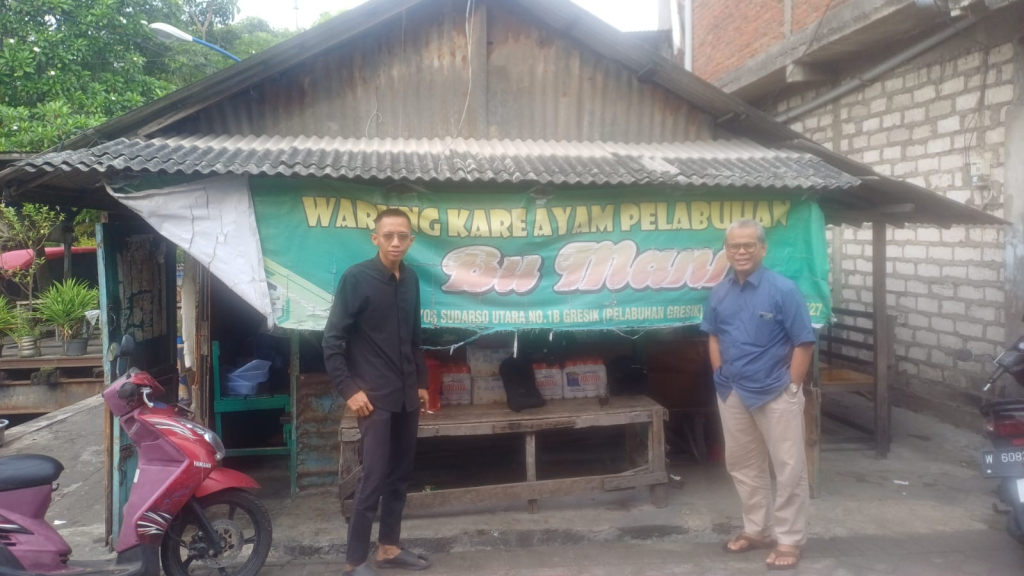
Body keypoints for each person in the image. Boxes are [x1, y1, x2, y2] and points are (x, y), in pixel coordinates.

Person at [700, 218, 816, 571]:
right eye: (734, 245)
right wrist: (720, 374)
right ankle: (757, 530)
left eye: (749, 245)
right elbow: (714, 335)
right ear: (727, 250)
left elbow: (804, 342)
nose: (741, 251)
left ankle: (789, 539)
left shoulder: (783, 289)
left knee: (789, 468)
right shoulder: (720, 292)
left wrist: (792, 387)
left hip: (775, 392)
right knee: (743, 466)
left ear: (763, 248)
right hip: (733, 392)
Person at [323, 208, 432, 576]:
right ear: (375, 238)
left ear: (412, 239)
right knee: (373, 478)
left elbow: (415, 338)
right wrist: (348, 389)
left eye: (403, 235)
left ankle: (388, 547)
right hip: (374, 399)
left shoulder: (412, 279)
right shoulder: (357, 279)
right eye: (388, 236)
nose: (396, 242)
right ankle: (354, 562)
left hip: (405, 395)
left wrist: (421, 383)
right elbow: (332, 340)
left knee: (400, 475)